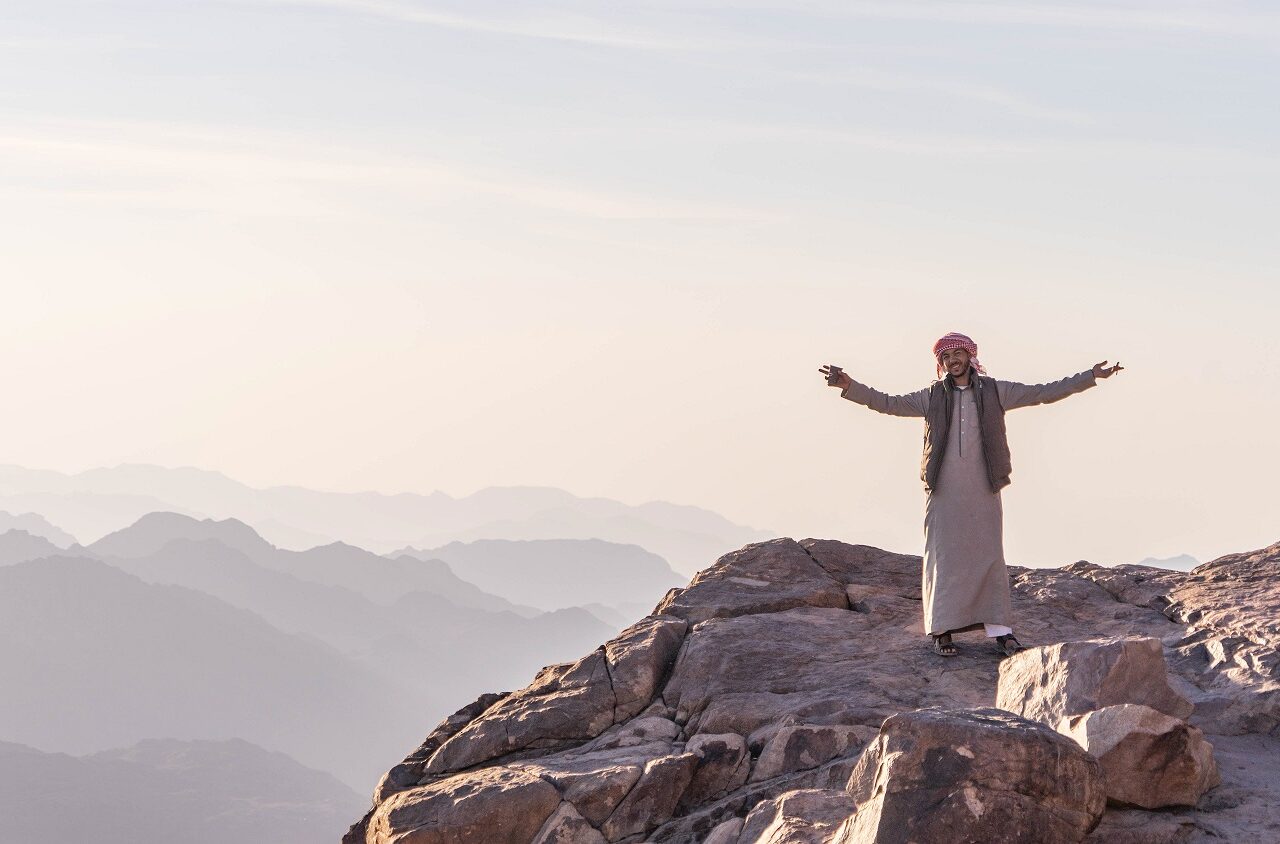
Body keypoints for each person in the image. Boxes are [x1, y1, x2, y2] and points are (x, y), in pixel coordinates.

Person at [819, 332, 1123, 658]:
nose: (952, 361)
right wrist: (849, 386)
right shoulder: (932, 396)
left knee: (988, 556)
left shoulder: (995, 390)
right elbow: (889, 404)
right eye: (945, 358)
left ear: (969, 356)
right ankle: (942, 631)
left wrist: (1090, 376)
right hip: (943, 490)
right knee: (943, 558)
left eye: (956, 355)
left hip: (983, 487)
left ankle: (1001, 631)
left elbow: (1042, 393)